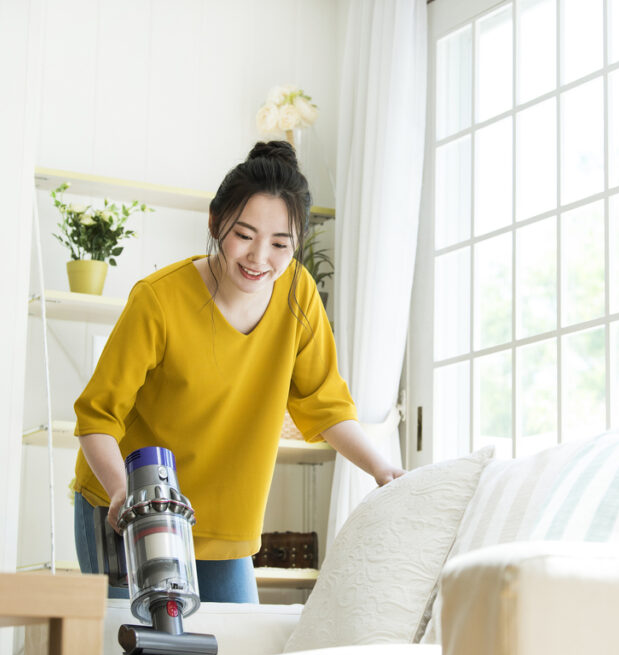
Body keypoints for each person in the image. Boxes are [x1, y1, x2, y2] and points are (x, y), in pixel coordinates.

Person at [71, 140, 405, 603]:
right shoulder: (159, 300)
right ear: (215, 222)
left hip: (225, 526)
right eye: (244, 235)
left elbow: (324, 402)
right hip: (132, 510)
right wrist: (121, 493)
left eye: (280, 243)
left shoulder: (298, 294)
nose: (258, 257)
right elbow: (96, 418)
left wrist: (382, 469)